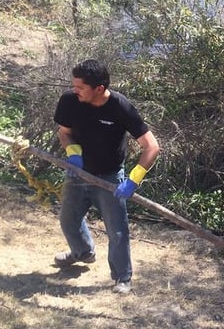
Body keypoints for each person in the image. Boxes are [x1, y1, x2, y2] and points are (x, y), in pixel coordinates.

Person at [53, 59, 161, 295]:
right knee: (68, 220)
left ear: (99, 89)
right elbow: (65, 133)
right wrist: (73, 154)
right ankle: (83, 252)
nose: (75, 90)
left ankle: (123, 278)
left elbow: (151, 147)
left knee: (117, 231)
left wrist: (133, 180)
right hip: (78, 172)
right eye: (75, 86)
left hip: (109, 176)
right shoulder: (70, 101)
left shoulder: (120, 107)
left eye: (81, 87)